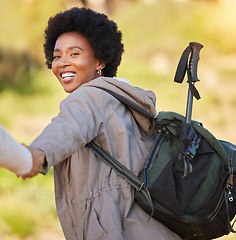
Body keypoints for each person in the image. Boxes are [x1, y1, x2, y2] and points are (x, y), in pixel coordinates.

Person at [22, 7, 182, 240]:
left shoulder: (89, 98)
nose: (62, 63)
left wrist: (38, 154)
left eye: (74, 54)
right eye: (57, 56)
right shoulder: (120, 97)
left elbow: (68, 128)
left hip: (116, 228)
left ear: (100, 60)